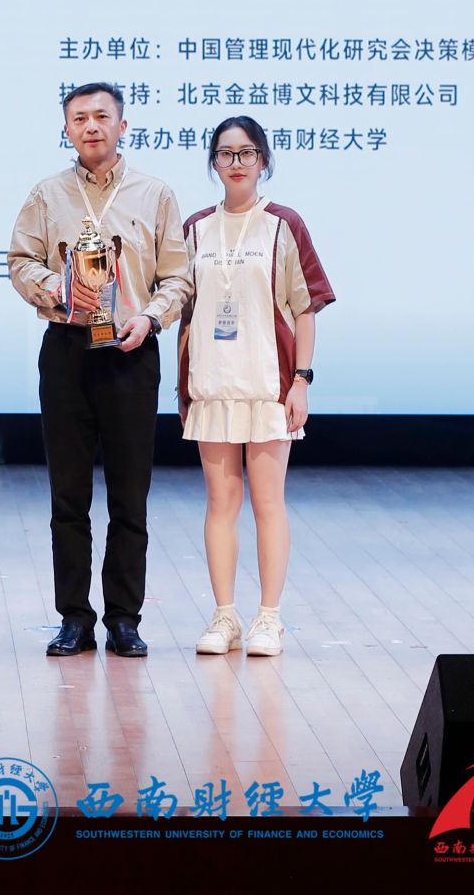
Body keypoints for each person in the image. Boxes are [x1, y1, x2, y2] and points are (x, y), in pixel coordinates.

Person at [8, 82, 191, 657]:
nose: (91, 126)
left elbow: (178, 277)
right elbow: (20, 261)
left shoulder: (155, 194)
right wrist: (57, 290)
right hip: (67, 350)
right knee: (68, 496)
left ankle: (125, 619)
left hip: (131, 352)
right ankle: (74, 617)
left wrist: (152, 318)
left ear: (122, 125)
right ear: (66, 129)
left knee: (130, 496)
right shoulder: (47, 194)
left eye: (102, 116)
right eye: (79, 118)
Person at [177, 115, 334, 658]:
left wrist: (301, 381)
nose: (236, 163)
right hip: (212, 384)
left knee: (268, 502)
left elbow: (305, 308)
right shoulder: (196, 227)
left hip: (268, 383)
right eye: (225, 154)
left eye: (246, 153)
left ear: (263, 160)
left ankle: (269, 617)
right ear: (213, 163)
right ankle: (225, 616)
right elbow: (182, 307)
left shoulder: (283, 224)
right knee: (220, 503)